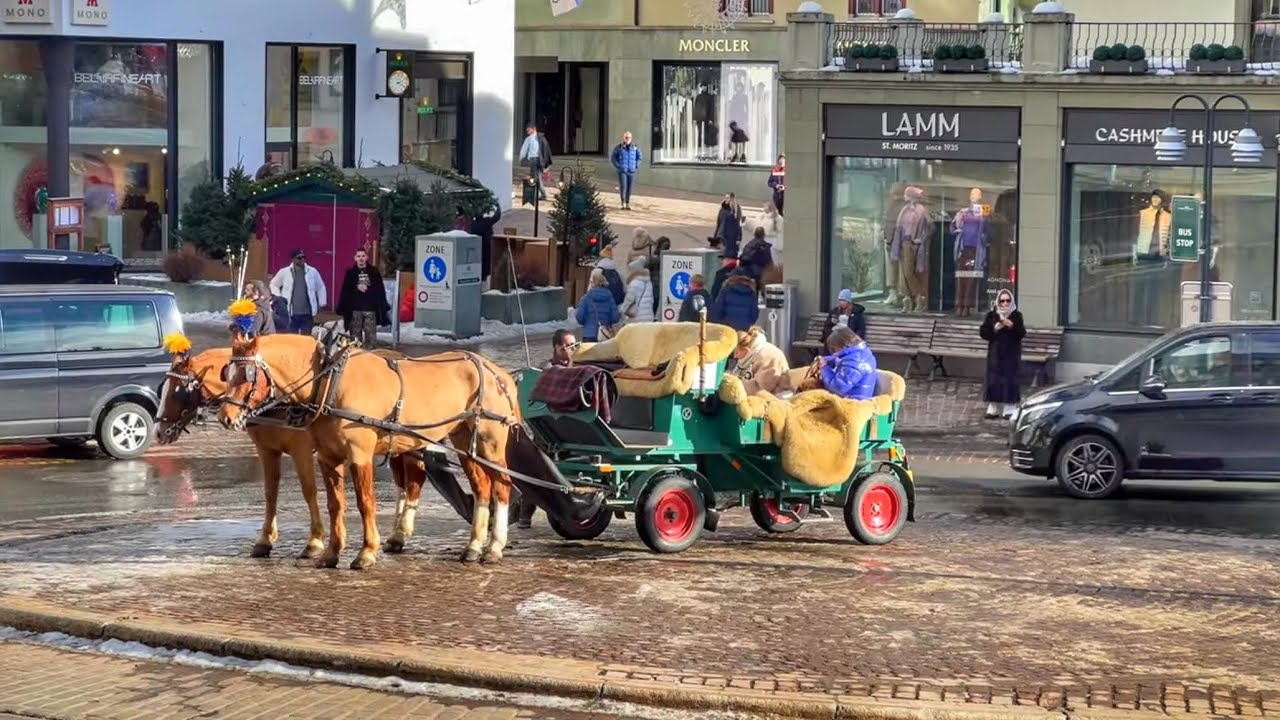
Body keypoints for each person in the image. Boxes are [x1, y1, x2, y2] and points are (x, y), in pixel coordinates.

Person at [979, 288, 1025, 419]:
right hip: (996, 352)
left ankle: (1009, 407)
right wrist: (995, 328)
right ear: (998, 301)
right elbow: (984, 333)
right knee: (994, 379)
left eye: (1007, 300)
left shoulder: (1016, 316)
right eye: (1002, 300)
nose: (1005, 303)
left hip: (1011, 353)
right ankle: (993, 407)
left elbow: (1021, 333)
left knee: (1010, 378)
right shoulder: (992, 315)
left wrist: (1012, 326)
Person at [335, 248, 390, 348]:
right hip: (355, 310)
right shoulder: (350, 273)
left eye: (363, 256)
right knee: (355, 339)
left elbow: (379, 290)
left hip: (370, 309)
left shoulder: (374, 272)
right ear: (355, 258)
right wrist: (356, 287)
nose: (361, 259)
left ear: (367, 257)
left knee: (371, 338)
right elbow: (346, 291)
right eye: (359, 256)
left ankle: (371, 359)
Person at [269, 249, 326, 336]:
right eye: (299, 258)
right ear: (293, 259)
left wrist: (322, 302)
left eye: (303, 257)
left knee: (306, 337)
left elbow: (321, 286)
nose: (302, 259)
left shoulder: (312, 272)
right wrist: (280, 298)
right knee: (292, 338)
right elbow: (273, 284)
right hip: (290, 313)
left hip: (307, 312)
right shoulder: (284, 272)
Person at [818, 326, 878, 401]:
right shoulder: (860, 353)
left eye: (833, 349)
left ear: (840, 345)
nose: (833, 352)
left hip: (853, 403)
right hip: (855, 397)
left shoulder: (855, 360)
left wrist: (824, 368)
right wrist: (828, 359)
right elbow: (842, 360)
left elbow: (838, 387)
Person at [731, 326, 790, 396]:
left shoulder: (767, 356)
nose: (735, 356)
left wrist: (736, 385)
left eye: (736, 352)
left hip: (778, 396)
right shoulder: (747, 355)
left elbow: (762, 387)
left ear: (745, 349)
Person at [575, 269, 621, 342]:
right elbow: (615, 317)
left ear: (592, 283)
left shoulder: (586, 297)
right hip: (605, 334)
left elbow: (579, 317)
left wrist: (587, 324)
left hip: (589, 334)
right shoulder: (609, 297)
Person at [518, 123, 552, 201]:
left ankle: (541, 194)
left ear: (533, 129)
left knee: (535, 177)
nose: (527, 132)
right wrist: (546, 163)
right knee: (536, 177)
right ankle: (537, 193)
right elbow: (546, 150)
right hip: (540, 160)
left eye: (528, 130)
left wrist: (521, 158)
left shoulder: (529, 139)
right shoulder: (542, 138)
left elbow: (524, 150)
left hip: (534, 160)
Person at [610, 131, 642, 210]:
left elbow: (639, 157)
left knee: (629, 188)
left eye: (629, 137)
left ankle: (627, 203)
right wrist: (618, 166)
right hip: (622, 171)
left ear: (631, 138)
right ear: (623, 138)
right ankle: (623, 203)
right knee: (623, 187)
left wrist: (636, 165)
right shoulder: (619, 147)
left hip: (631, 170)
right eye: (626, 137)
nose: (628, 139)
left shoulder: (635, 148)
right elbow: (613, 158)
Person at [620, 256, 655, 324]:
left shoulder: (634, 283)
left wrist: (622, 310)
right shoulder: (648, 282)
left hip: (638, 317)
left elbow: (629, 300)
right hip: (649, 316)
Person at [713, 194, 743, 260]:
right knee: (723, 254)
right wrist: (715, 237)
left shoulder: (735, 211)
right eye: (725, 198)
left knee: (731, 255)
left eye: (728, 198)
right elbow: (718, 224)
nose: (726, 199)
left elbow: (739, 225)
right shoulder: (722, 210)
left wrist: (738, 238)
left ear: (731, 199)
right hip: (722, 236)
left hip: (732, 237)